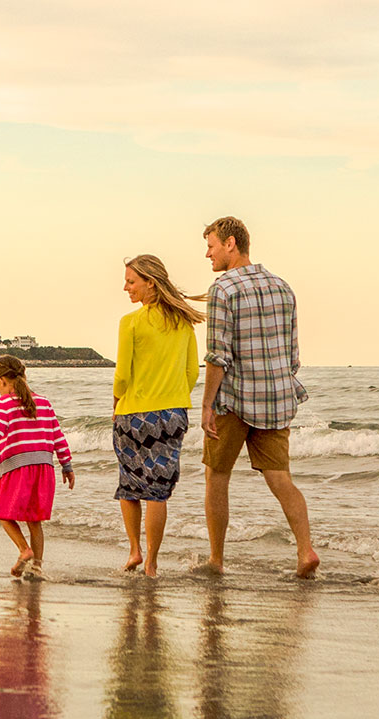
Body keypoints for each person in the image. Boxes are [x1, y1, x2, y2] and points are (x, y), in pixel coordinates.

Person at [194, 216, 319, 578]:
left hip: (233, 399)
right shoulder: (283, 287)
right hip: (278, 398)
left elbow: (218, 356)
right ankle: (305, 550)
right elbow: (293, 354)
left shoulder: (223, 289)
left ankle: (216, 560)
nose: (208, 254)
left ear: (231, 243)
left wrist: (206, 405)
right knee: (280, 478)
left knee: (216, 475)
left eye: (211, 246)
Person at [113, 254, 205, 577]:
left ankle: (134, 550)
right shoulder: (183, 322)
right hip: (172, 413)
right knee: (157, 491)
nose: (126, 287)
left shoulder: (131, 323)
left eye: (131, 281)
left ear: (150, 282)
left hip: (133, 414)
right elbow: (192, 372)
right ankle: (152, 562)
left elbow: (122, 375)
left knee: (129, 484)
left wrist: (116, 402)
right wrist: (173, 395)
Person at [0, 355, 73, 580]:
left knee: (2, 512)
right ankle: (36, 567)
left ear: (1, 381)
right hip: (44, 469)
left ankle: (24, 550)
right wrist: (66, 464)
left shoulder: (5, 403)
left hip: (16, 468)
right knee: (34, 520)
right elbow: (57, 435)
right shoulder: (44, 402)